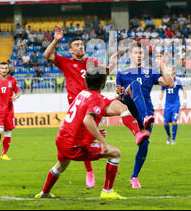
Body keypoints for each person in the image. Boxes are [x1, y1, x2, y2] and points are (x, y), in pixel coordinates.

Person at [43, 26, 148, 189]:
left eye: (81, 44)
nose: (80, 46)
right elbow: (47, 55)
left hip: (94, 101)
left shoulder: (91, 62)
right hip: (78, 106)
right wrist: (56, 40)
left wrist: (112, 64)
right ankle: (89, 171)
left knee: (118, 109)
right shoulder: (66, 62)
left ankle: (137, 133)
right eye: (76, 45)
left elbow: (104, 72)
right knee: (82, 142)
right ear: (70, 50)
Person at [35, 67, 138, 200]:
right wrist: (101, 140)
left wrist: (117, 98)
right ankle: (107, 191)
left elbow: (90, 113)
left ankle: (44, 193)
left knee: (60, 166)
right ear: (103, 83)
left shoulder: (82, 93)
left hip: (62, 139)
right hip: (74, 145)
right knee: (115, 153)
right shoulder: (96, 98)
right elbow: (87, 119)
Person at [116, 42, 174, 188]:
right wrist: (119, 95)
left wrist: (162, 65)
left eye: (141, 53)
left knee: (144, 143)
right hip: (131, 110)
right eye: (136, 53)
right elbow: (119, 97)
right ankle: (144, 118)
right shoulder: (122, 74)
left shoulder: (150, 72)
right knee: (135, 84)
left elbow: (170, 83)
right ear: (130, 55)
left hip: (148, 111)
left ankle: (134, 177)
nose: (139, 55)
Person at [158, 66, 186, 145]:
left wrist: (185, 101)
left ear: (173, 71)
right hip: (167, 105)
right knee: (165, 123)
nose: (168, 71)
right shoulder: (165, 81)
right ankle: (169, 136)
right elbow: (162, 92)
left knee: (174, 121)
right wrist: (159, 101)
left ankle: (173, 139)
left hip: (176, 105)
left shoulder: (178, 80)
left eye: (169, 70)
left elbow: (184, 90)